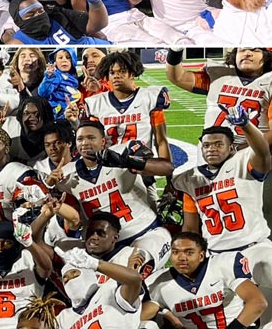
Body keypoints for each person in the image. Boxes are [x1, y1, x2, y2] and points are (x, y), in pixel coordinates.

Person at [170, 107, 272, 326]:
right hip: (218, 258)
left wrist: (245, 125)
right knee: (228, 316)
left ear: (232, 149)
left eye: (218, 144)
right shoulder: (190, 180)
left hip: (255, 248)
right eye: (206, 145)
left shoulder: (243, 162)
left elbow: (263, 152)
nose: (211, 149)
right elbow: (190, 227)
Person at [47, 120, 174, 269]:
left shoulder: (123, 150)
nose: (85, 143)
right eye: (80, 139)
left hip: (144, 232)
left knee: (137, 266)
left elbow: (166, 167)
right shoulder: (66, 175)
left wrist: (127, 162)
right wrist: (50, 184)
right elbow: (70, 219)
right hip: (104, 246)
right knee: (63, 260)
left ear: (103, 142)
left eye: (91, 138)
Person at [142, 233, 268, 329]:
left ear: (201, 256)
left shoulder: (222, 265)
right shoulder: (159, 283)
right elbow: (135, 318)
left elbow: (258, 303)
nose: (181, 258)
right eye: (175, 252)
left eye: (189, 252)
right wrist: (134, 281)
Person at [82, 50, 171, 158]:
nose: (116, 76)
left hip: (142, 166)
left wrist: (167, 171)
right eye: (112, 73)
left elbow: (161, 141)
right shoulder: (96, 103)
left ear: (132, 73)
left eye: (122, 71)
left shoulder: (150, 98)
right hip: (110, 168)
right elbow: (92, 140)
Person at [54, 243, 144, 329]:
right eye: (65, 279)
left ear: (88, 273)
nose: (70, 280)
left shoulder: (110, 289)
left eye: (74, 273)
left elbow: (135, 280)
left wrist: (94, 263)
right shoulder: (64, 318)